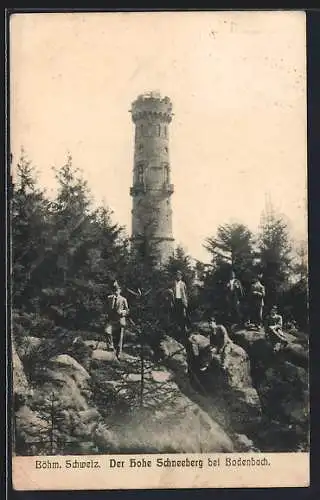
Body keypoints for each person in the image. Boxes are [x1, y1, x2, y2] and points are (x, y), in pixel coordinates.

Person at [105, 281, 129, 359]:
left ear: (120, 291)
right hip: (111, 319)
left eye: (117, 290)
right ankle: (110, 347)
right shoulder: (109, 298)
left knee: (119, 339)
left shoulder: (123, 299)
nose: (115, 291)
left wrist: (122, 312)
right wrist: (106, 314)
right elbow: (105, 307)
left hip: (120, 320)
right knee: (107, 331)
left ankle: (118, 355)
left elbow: (127, 310)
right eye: (114, 290)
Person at [168, 270, 189, 340]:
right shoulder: (173, 283)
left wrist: (186, 302)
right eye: (177, 275)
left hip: (182, 301)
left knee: (183, 316)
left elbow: (185, 294)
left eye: (179, 275)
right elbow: (170, 292)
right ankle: (176, 334)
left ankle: (184, 332)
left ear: (181, 276)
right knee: (176, 317)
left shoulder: (183, 284)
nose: (178, 276)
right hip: (175, 301)